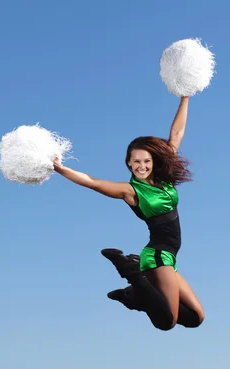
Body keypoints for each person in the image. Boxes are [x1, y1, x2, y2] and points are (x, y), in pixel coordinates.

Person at [52, 96, 204, 331]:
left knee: (195, 317)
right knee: (166, 322)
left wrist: (185, 96)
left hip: (169, 256)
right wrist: (61, 169)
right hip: (157, 255)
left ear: (153, 161)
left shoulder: (163, 179)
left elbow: (176, 134)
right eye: (136, 162)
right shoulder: (130, 190)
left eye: (146, 160)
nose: (141, 166)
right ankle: (130, 271)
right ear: (129, 163)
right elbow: (93, 182)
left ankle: (134, 296)